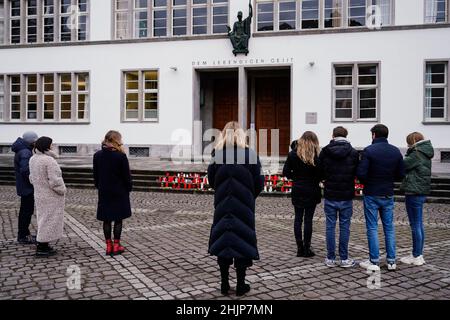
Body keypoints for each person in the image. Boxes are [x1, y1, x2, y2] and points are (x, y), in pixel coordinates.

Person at [208, 121, 264, 297]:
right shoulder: (250, 154)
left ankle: (224, 284)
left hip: (223, 203)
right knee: (242, 240)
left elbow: (211, 180)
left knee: (224, 240)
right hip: (244, 205)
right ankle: (241, 285)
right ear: (241, 135)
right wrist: (248, 196)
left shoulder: (217, 154)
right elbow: (260, 182)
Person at [357, 124, 405, 271]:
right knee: (389, 228)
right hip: (388, 192)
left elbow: (361, 174)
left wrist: (368, 181)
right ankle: (391, 261)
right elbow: (401, 174)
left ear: (374, 135)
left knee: (372, 227)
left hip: (372, 192)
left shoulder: (369, 150)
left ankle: (374, 261)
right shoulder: (395, 151)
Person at [318, 127, 359, 268]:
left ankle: (330, 258)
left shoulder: (325, 151)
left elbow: (320, 170)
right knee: (344, 227)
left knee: (330, 227)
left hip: (331, 193)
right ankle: (344, 258)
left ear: (333, 135)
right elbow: (356, 172)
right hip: (346, 194)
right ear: (346, 135)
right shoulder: (353, 152)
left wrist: (325, 179)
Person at [283, 131, 321, 258]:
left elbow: (286, 172)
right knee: (308, 220)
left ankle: (299, 248)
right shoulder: (316, 155)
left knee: (298, 219)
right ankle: (307, 248)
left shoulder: (293, 154)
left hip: (298, 188)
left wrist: (297, 177)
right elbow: (322, 174)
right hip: (312, 189)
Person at [93, 130, 132, 257]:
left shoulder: (97, 155)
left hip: (104, 191)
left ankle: (108, 246)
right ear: (116, 140)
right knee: (118, 219)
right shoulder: (120, 156)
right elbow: (126, 176)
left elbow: (96, 175)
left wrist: (100, 187)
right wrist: (128, 188)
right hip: (119, 191)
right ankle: (116, 245)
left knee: (106, 219)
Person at [400, 132, 434, 266]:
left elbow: (403, 165)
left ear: (412, 141)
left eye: (408, 142)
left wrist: (408, 152)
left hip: (414, 191)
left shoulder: (416, 153)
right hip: (421, 190)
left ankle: (416, 255)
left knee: (415, 225)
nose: (407, 145)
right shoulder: (425, 152)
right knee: (418, 224)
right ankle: (418, 254)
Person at [29, 137, 66, 256]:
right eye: (51, 144)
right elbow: (55, 180)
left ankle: (43, 244)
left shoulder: (33, 158)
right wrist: (62, 190)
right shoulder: (49, 160)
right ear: (47, 146)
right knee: (48, 220)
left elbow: (31, 177)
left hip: (39, 193)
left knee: (43, 218)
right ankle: (42, 246)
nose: (53, 146)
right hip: (51, 195)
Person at [12, 131, 38, 244]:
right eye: (35, 140)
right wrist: (33, 181)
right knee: (26, 211)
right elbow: (25, 170)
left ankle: (24, 233)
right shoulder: (25, 152)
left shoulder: (23, 149)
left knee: (25, 211)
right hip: (27, 187)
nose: (36, 142)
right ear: (31, 140)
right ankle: (22, 236)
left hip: (24, 186)